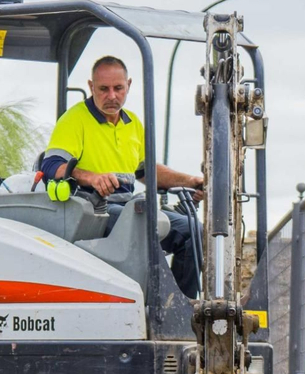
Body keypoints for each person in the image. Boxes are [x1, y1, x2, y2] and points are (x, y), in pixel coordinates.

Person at [38, 55, 205, 298]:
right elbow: (51, 165)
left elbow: (146, 172)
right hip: (92, 209)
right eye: (103, 89)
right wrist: (92, 178)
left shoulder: (133, 123)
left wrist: (191, 181)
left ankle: (180, 305)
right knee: (144, 225)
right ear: (91, 86)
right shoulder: (74, 120)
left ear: (129, 85)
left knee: (192, 230)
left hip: (129, 207)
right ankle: (151, 301)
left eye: (118, 88)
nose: (112, 96)